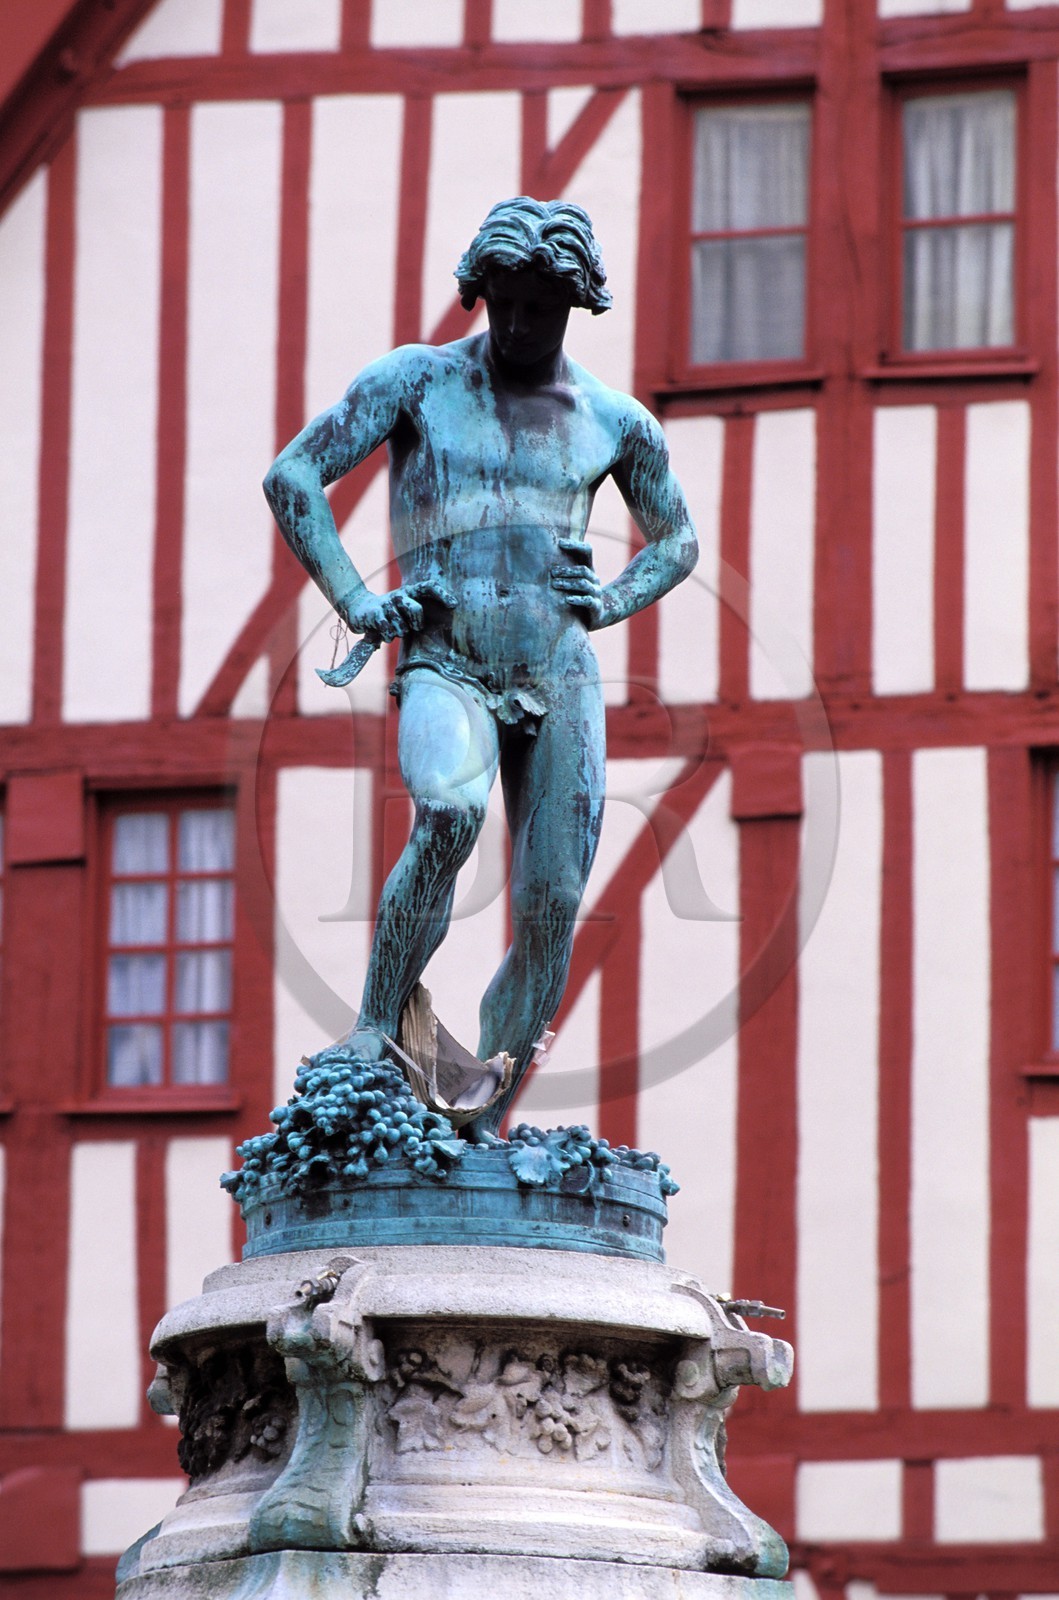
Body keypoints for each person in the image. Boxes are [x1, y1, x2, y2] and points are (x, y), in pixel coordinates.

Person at [264, 197, 697, 1138]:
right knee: (450, 811)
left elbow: (677, 539)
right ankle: (376, 1032)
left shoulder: (614, 423)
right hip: (445, 658)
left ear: (574, 303)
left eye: (538, 306)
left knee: (550, 902)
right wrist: (358, 603)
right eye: (502, 301)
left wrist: (613, 599)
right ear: (481, 291)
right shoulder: (417, 383)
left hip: (559, 669)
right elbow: (292, 477)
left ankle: (477, 1115)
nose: (517, 323)